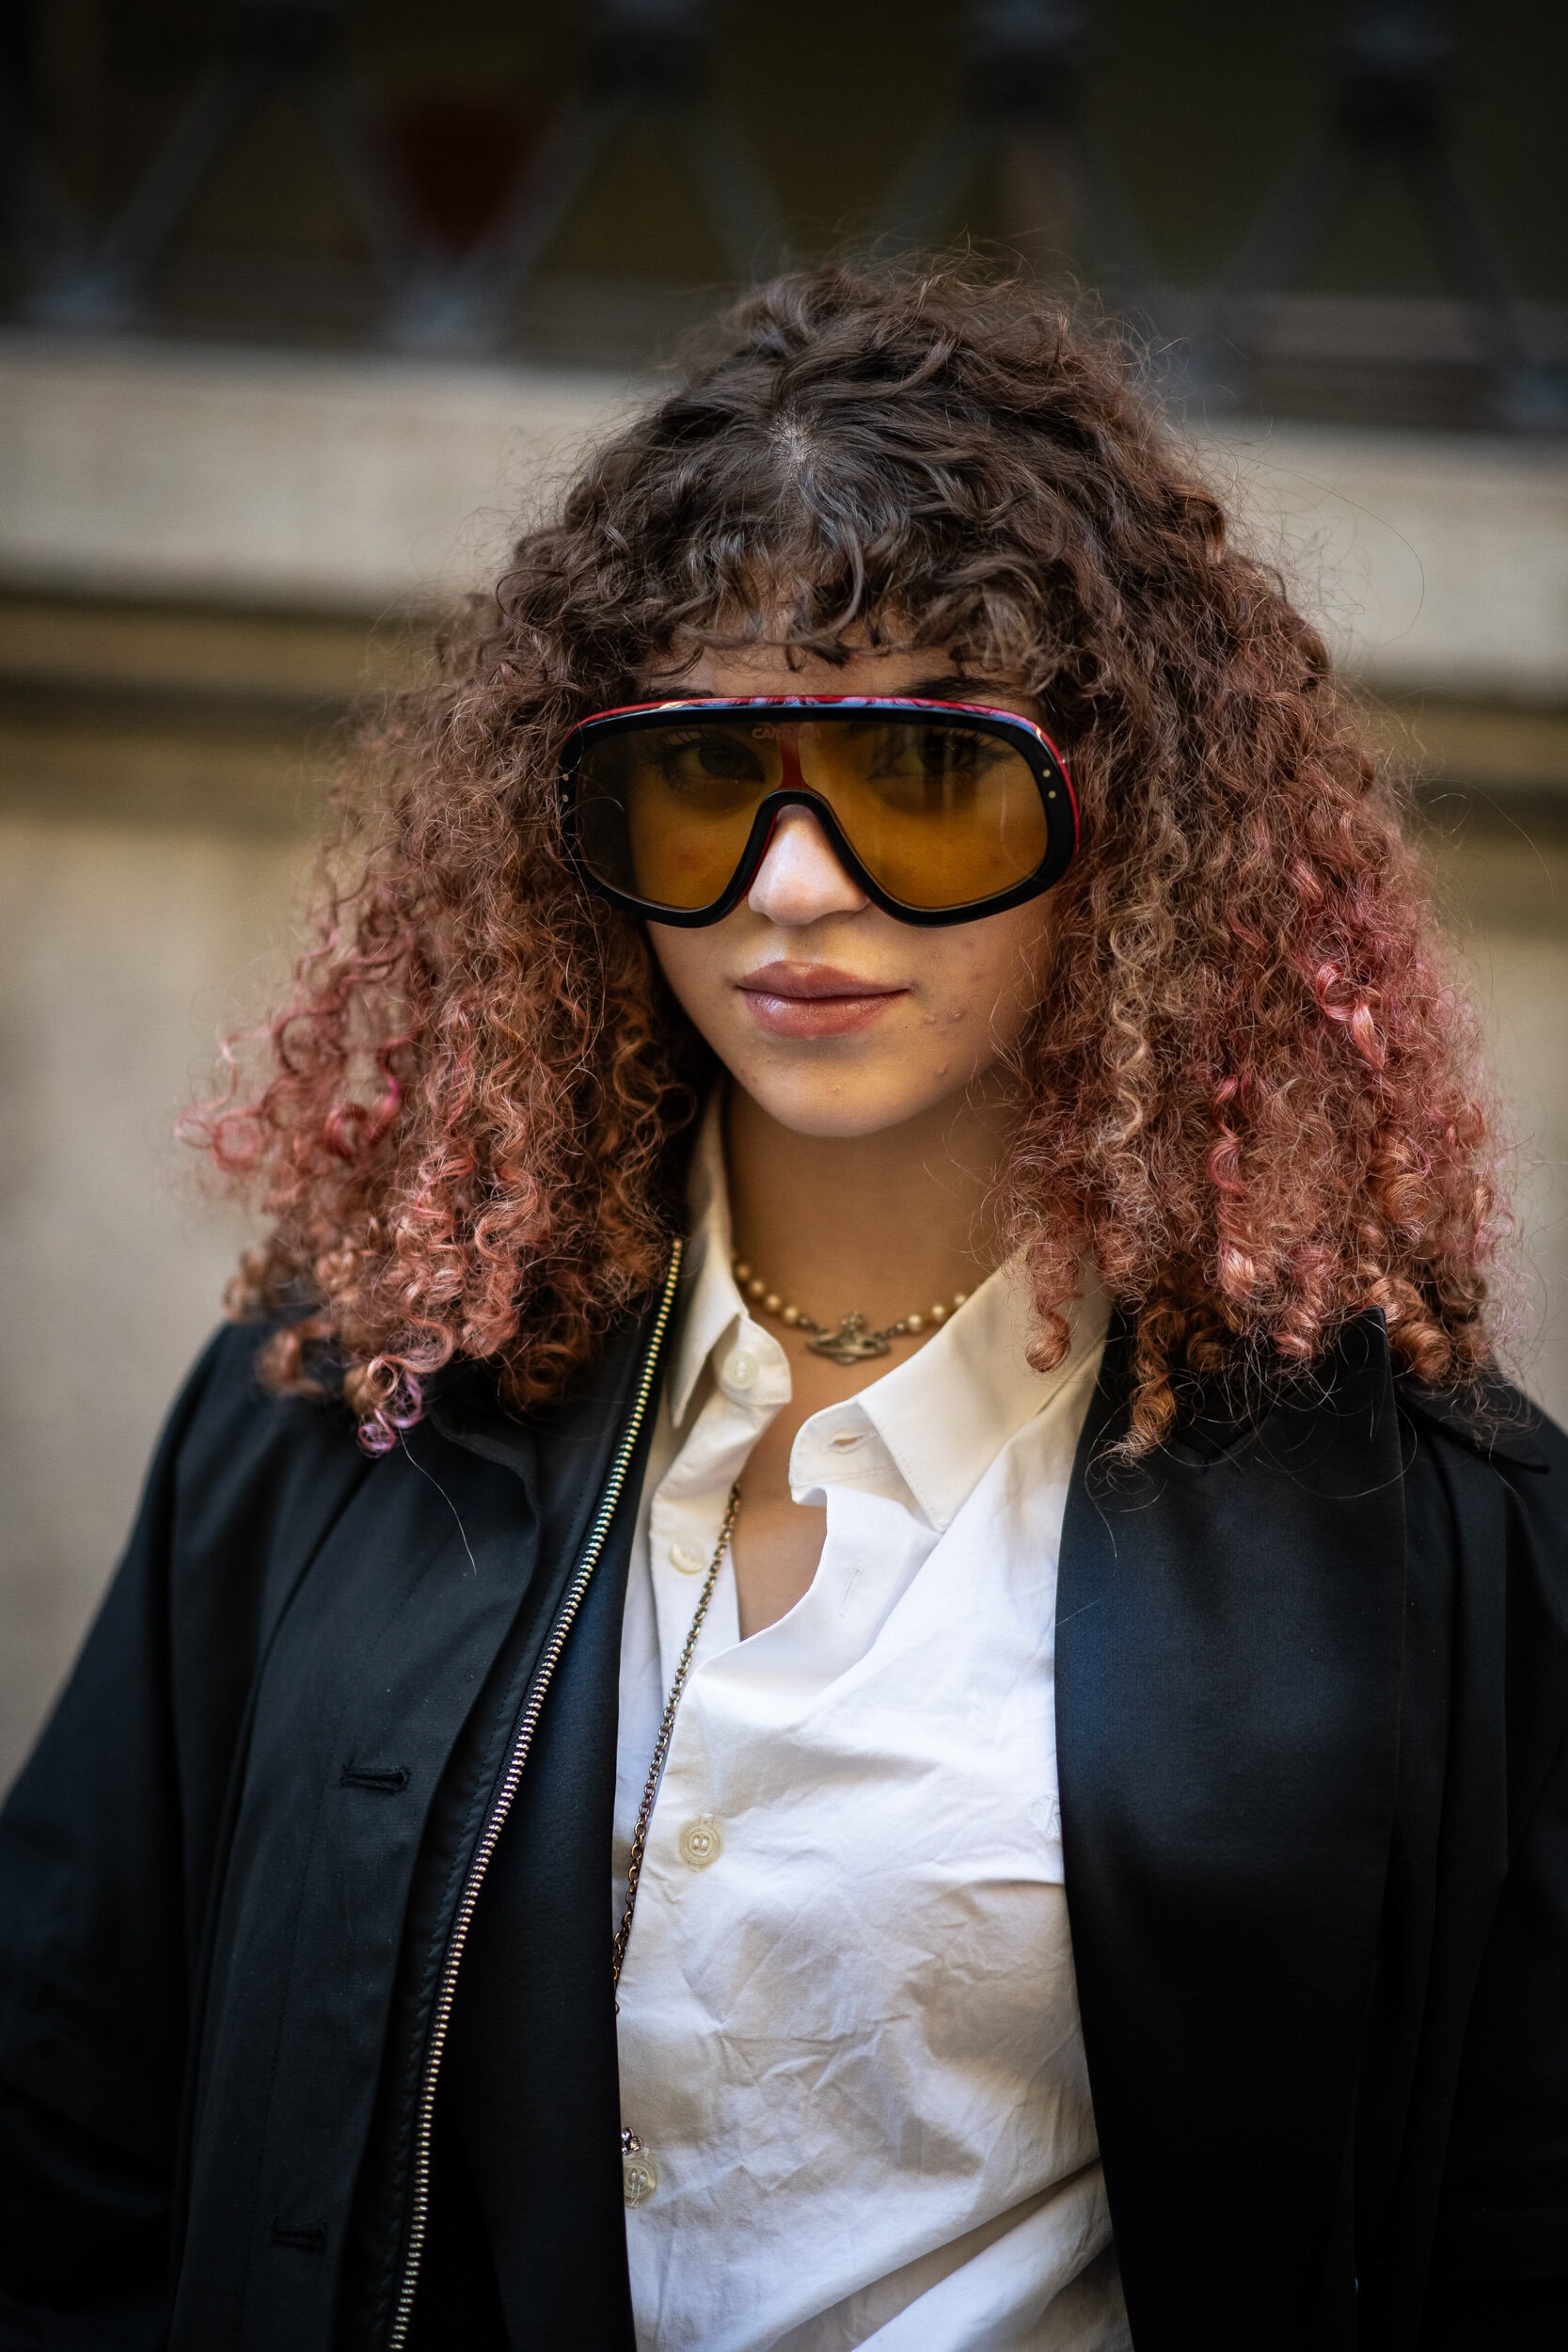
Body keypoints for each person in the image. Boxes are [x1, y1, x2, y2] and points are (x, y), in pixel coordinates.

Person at [2, 264, 1565, 2352]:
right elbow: (69, 2127)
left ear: (1128, 822)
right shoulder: (339, 1410)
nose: (792, 883)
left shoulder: (1431, 1534)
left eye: (926, 774)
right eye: (706, 771)